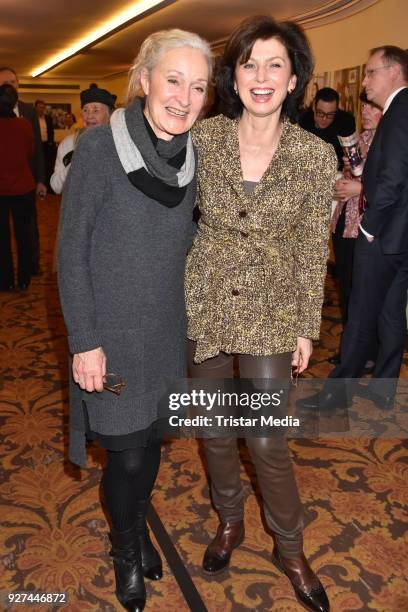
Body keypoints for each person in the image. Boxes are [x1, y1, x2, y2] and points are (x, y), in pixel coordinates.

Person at [185, 16, 337, 612]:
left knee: (268, 438)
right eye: (250, 63)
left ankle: (291, 548)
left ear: (294, 77)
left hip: (273, 310)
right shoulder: (205, 139)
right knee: (214, 428)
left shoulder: (314, 155)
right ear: (235, 75)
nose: (262, 75)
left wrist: (305, 324)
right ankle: (230, 521)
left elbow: (308, 248)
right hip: (207, 302)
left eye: (275, 64)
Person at [57, 30, 211, 611]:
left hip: (166, 331)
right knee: (123, 453)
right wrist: (85, 340)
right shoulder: (99, 149)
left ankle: (138, 526)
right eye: (173, 80)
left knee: (150, 444)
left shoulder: (196, 156)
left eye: (197, 87)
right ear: (144, 79)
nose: (184, 97)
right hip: (110, 335)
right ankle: (126, 547)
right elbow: (71, 251)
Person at [300, 45, 408, 411]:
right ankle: (383, 387)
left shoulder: (400, 111)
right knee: (391, 312)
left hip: (382, 234)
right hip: (399, 237)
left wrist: (368, 228)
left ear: (393, 71)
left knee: (360, 312)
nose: (365, 82)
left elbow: (392, 180)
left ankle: (337, 393)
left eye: (371, 72)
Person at [330, 91, 383, 367]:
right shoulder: (359, 140)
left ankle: (366, 352)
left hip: (366, 226)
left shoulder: (389, 142)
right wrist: (342, 185)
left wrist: (359, 188)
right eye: (363, 105)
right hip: (344, 222)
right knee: (347, 289)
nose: (365, 111)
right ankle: (352, 350)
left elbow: (392, 189)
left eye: (372, 106)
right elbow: (349, 176)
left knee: (364, 294)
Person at [0, 67, 46, 275]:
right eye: (4, 83)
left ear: (18, 84)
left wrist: (41, 179)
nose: (9, 85)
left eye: (12, 81)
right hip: (10, 185)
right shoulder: (22, 123)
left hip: (24, 184)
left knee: (28, 230)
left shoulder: (28, 112)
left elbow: (37, 150)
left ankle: (31, 268)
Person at [0, 84, 35, 291]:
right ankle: (24, 279)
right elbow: (29, 153)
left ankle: (5, 281)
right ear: (14, 103)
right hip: (23, 187)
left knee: (2, 238)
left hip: (1, 191)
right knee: (24, 236)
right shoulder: (24, 125)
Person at [50, 84, 116, 194]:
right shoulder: (69, 143)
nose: (89, 116)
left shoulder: (119, 143)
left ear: (109, 115)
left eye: (96, 110)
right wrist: (77, 161)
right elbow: (56, 187)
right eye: (85, 110)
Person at [299, 86, 355, 169]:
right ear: (314, 107)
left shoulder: (346, 122)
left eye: (330, 114)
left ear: (336, 110)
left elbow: (351, 156)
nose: (324, 119)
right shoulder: (302, 121)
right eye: (320, 113)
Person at [35, 99, 56, 189]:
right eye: (39, 107)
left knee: (48, 165)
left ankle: (48, 185)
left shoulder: (48, 118)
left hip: (47, 145)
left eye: (43, 107)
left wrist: (51, 142)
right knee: (38, 165)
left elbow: (51, 131)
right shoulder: (33, 118)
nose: (41, 109)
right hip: (37, 145)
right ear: (35, 107)